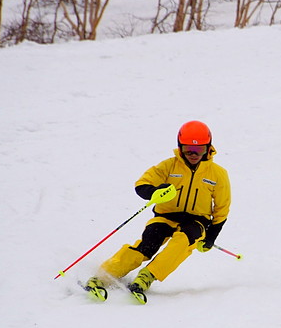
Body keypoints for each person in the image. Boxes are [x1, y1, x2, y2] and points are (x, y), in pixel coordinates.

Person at [84, 120, 231, 303]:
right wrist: (154, 192)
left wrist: (211, 237)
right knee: (146, 245)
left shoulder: (218, 174)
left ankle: (147, 277)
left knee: (181, 243)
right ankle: (103, 276)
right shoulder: (169, 166)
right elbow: (142, 184)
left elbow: (222, 208)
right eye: (187, 150)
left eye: (199, 150)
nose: (193, 155)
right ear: (180, 147)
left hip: (197, 221)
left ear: (208, 149)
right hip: (166, 216)